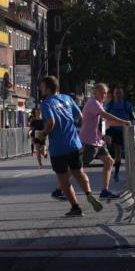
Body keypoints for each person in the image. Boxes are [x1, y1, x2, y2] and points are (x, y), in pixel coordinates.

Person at [39, 75, 103, 217]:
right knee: (79, 172)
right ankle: (89, 194)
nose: (40, 89)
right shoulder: (67, 99)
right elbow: (80, 115)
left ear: (48, 88)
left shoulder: (46, 103)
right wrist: (69, 124)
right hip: (74, 144)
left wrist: (44, 133)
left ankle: (75, 207)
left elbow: (50, 122)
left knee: (63, 179)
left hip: (58, 148)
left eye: (42, 87)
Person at [80, 83, 132, 199]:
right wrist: (123, 122)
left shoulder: (99, 103)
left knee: (109, 161)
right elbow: (106, 115)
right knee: (77, 167)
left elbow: (106, 122)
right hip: (89, 140)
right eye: (101, 92)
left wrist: (122, 124)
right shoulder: (93, 103)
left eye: (105, 92)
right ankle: (60, 188)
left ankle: (104, 191)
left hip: (98, 140)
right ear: (95, 92)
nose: (104, 94)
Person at [104, 87, 135, 183]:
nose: (118, 94)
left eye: (120, 93)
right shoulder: (110, 104)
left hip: (123, 130)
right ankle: (105, 150)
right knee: (108, 142)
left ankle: (116, 174)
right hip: (112, 129)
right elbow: (104, 115)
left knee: (119, 153)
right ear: (114, 94)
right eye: (116, 93)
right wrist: (102, 129)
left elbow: (132, 117)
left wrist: (134, 124)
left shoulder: (126, 104)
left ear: (122, 94)